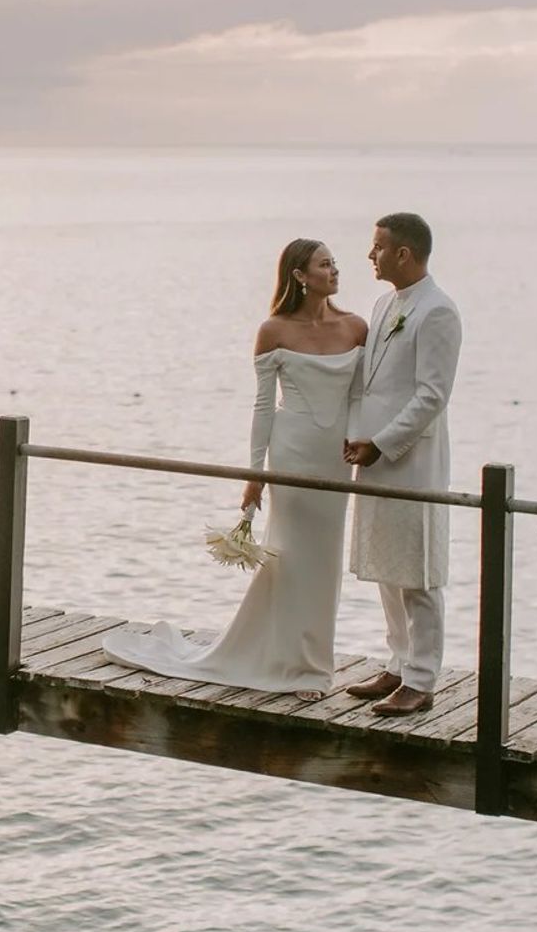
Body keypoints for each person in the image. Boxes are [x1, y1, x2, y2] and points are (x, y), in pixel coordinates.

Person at [102, 239, 368, 693]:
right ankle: (294, 663)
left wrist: (358, 440)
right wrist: (255, 476)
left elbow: (359, 395)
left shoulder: (357, 327)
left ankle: (313, 661)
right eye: (325, 265)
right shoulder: (274, 330)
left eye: (334, 264)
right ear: (300, 275)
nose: (335, 271)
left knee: (324, 560)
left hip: (334, 460)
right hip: (292, 454)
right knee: (293, 557)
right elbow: (264, 408)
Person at [337, 213, 463, 716]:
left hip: (411, 459)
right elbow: (367, 381)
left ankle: (422, 679)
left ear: (404, 254)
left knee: (417, 570)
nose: (371, 255)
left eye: (378, 247)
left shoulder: (439, 311)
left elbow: (432, 395)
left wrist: (383, 443)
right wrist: (354, 435)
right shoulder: (384, 302)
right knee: (387, 565)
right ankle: (398, 660)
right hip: (373, 453)